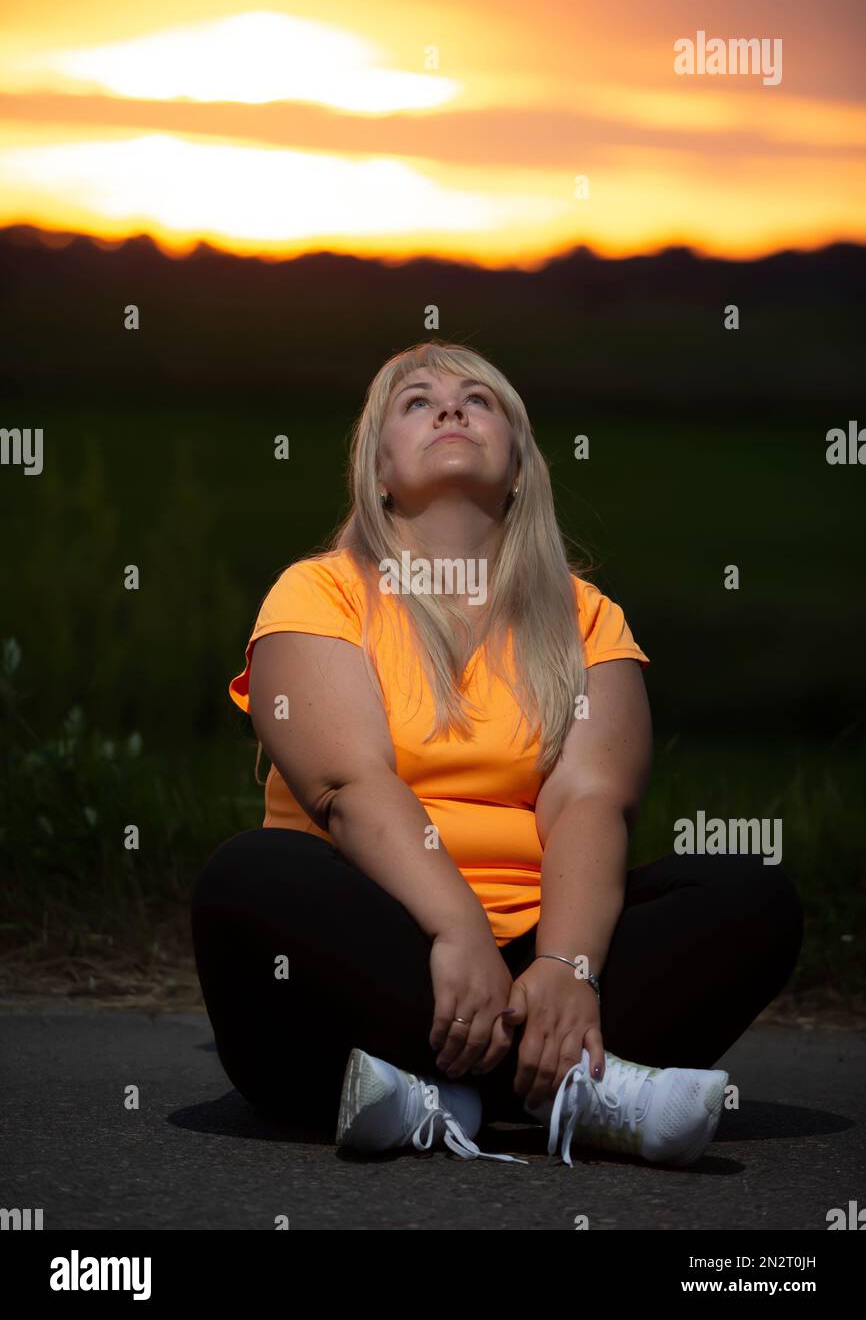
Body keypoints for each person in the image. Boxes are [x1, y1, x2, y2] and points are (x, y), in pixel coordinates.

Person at [190, 339, 803, 1169]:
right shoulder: (320, 591)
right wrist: (455, 932)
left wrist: (567, 966)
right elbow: (347, 784)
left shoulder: (588, 617)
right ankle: (581, 1091)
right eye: (416, 401)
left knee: (751, 894)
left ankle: (443, 1097)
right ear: (377, 473)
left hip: (542, 951)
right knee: (247, 878)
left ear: (518, 468)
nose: (450, 408)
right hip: (377, 945)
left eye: (478, 401)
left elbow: (590, 800)